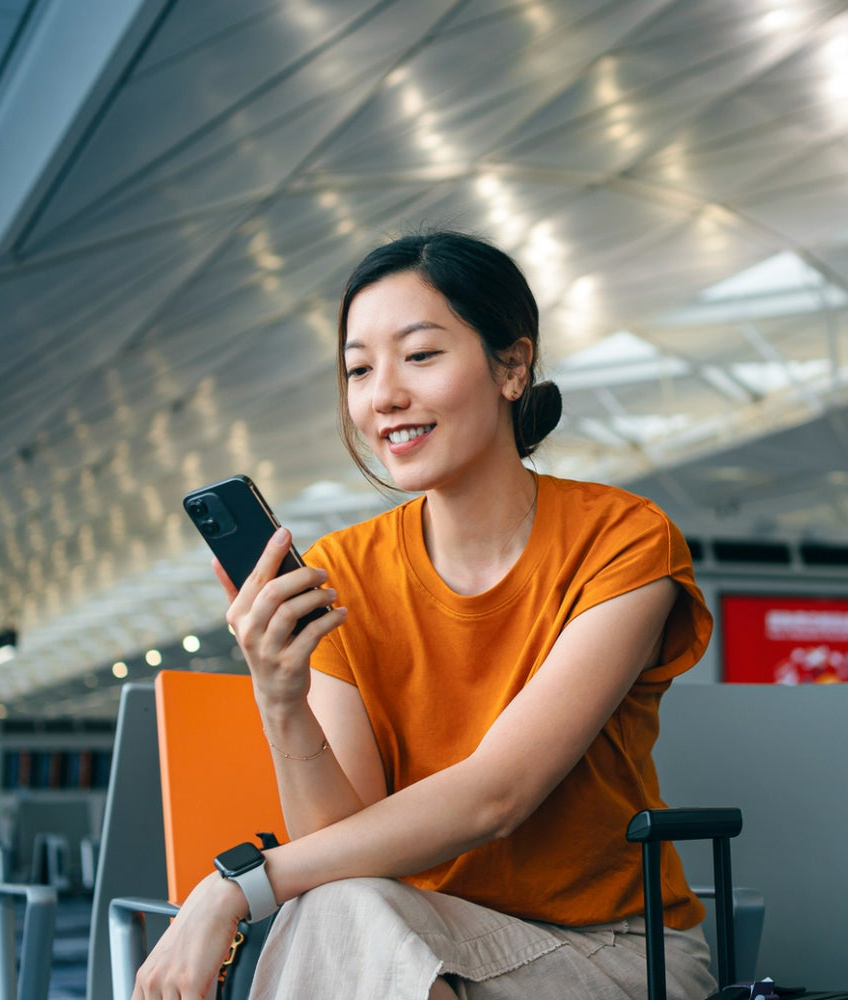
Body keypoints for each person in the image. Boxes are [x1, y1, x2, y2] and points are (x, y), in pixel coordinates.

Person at [133, 230, 719, 1000]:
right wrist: (281, 698)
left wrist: (238, 885)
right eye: (358, 369)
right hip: (416, 938)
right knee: (339, 905)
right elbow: (342, 846)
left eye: (420, 355)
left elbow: (497, 797)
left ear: (512, 366)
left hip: (613, 950)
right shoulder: (342, 573)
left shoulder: (623, 539)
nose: (383, 396)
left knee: (338, 915)